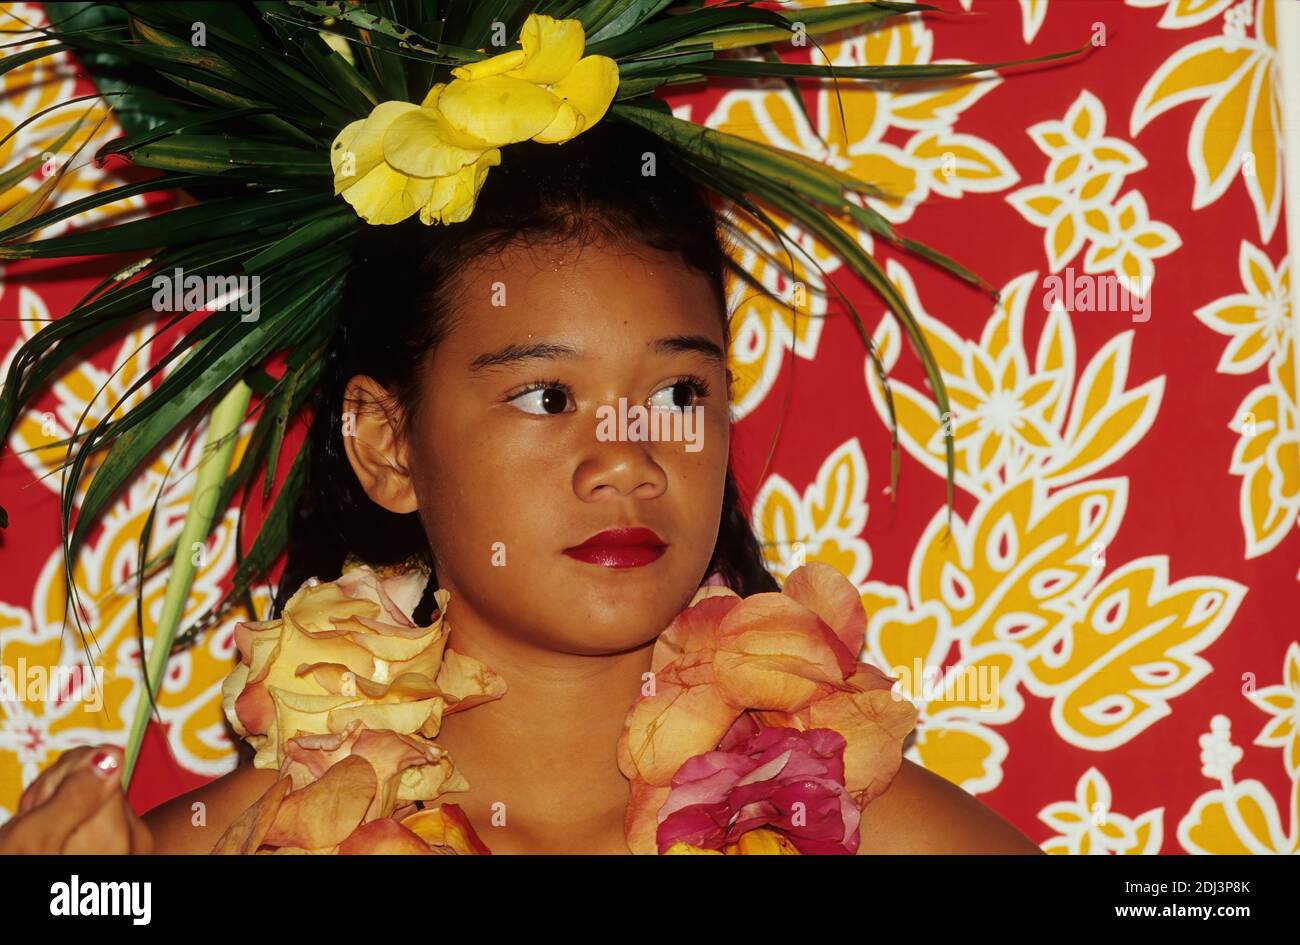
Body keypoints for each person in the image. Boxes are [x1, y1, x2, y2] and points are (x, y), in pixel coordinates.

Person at [0, 122, 1040, 854]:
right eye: (546, 397)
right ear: (387, 445)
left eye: (678, 390)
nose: (627, 456)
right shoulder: (212, 853)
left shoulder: (867, 834)